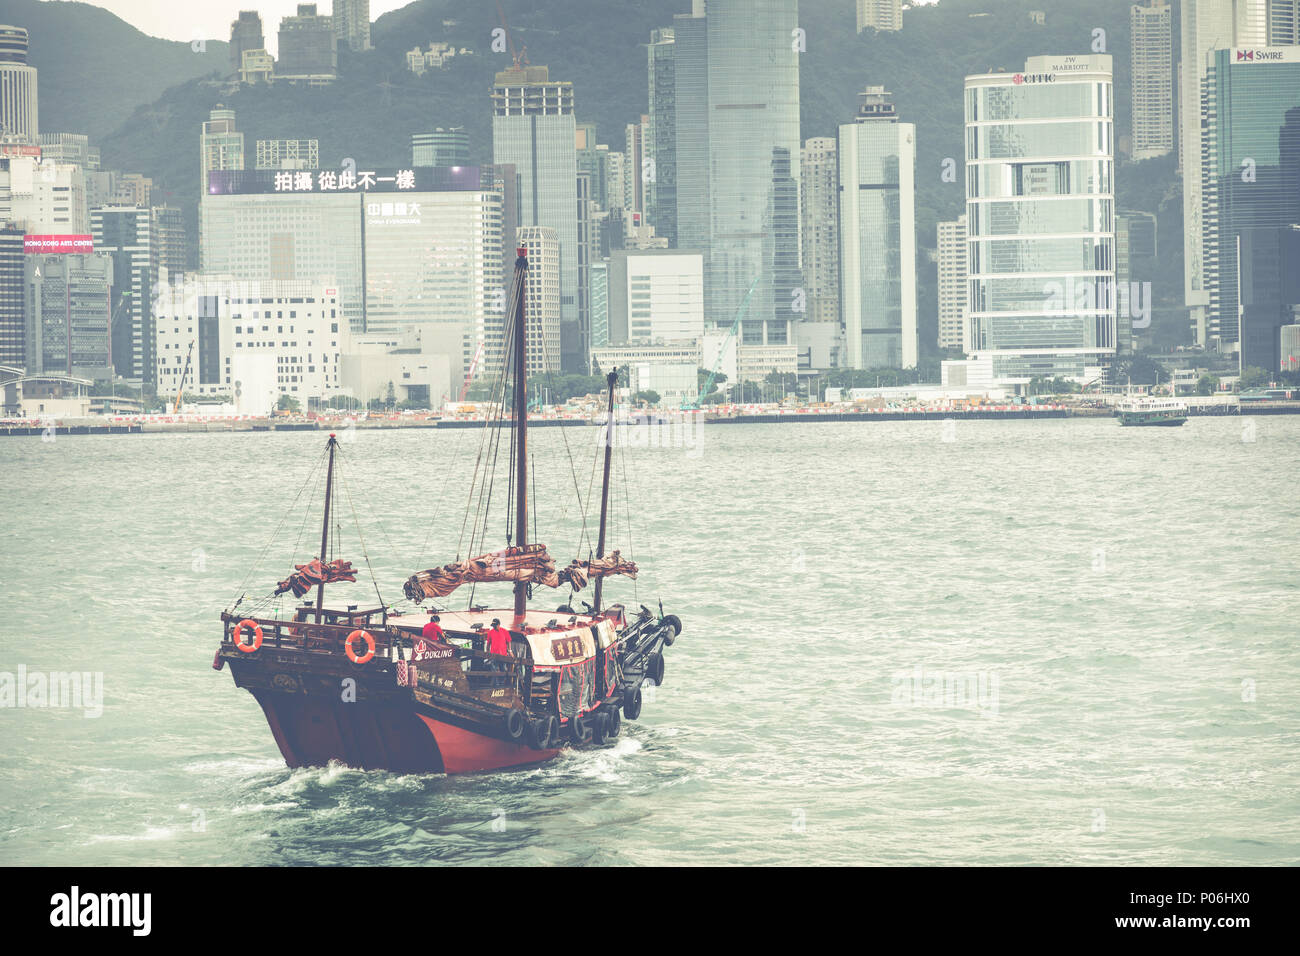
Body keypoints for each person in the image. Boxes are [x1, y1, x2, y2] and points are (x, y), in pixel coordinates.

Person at [484, 618, 512, 687]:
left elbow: (508, 641)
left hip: (503, 655)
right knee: (494, 670)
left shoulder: (504, 631)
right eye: (493, 625)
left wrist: (509, 650)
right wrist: (487, 653)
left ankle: (502, 684)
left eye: (495, 625)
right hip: (493, 655)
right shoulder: (490, 632)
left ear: (499, 625)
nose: (494, 627)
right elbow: (488, 643)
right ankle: (496, 685)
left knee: (504, 670)